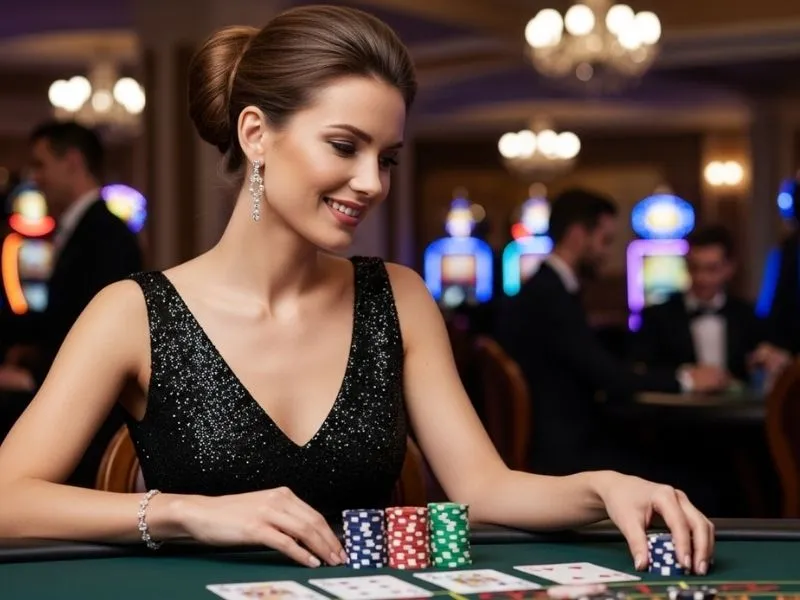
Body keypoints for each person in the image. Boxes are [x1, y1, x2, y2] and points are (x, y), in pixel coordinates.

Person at [0, 5, 714, 576]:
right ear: (255, 134)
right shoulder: (131, 314)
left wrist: (603, 487)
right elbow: (7, 496)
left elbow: (484, 489)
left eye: (388, 156)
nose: (373, 182)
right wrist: (186, 512)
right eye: (345, 147)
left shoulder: (398, 299)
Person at [494, 189, 729, 477]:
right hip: (564, 452)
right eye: (604, 241)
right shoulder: (549, 296)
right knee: (694, 474)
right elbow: (609, 377)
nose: (607, 253)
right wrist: (686, 378)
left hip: (563, 439)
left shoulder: (548, 289)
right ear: (579, 235)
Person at [0, 121, 143, 488]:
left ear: (73, 162)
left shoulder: (108, 234)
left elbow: (102, 335)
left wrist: (31, 374)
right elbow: (57, 318)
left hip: (93, 414)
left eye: (41, 164)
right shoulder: (83, 228)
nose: (35, 177)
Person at [632, 224, 790, 387]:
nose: (701, 278)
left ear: (729, 268)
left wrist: (766, 361)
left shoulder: (747, 315)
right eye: (695, 268)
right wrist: (687, 377)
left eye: (711, 269)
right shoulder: (656, 316)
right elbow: (640, 371)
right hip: (675, 411)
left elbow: (766, 360)